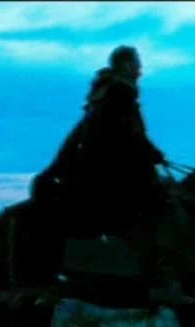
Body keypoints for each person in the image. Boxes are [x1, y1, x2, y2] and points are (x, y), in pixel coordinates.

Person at [29, 45, 178, 294]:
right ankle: (156, 271)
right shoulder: (120, 93)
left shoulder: (104, 93)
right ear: (126, 65)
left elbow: (125, 134)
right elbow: (129, 135)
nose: (141, 69)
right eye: (137, 63)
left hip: (99, 167)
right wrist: (154, 155)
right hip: (111, 170)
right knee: (162, 203)